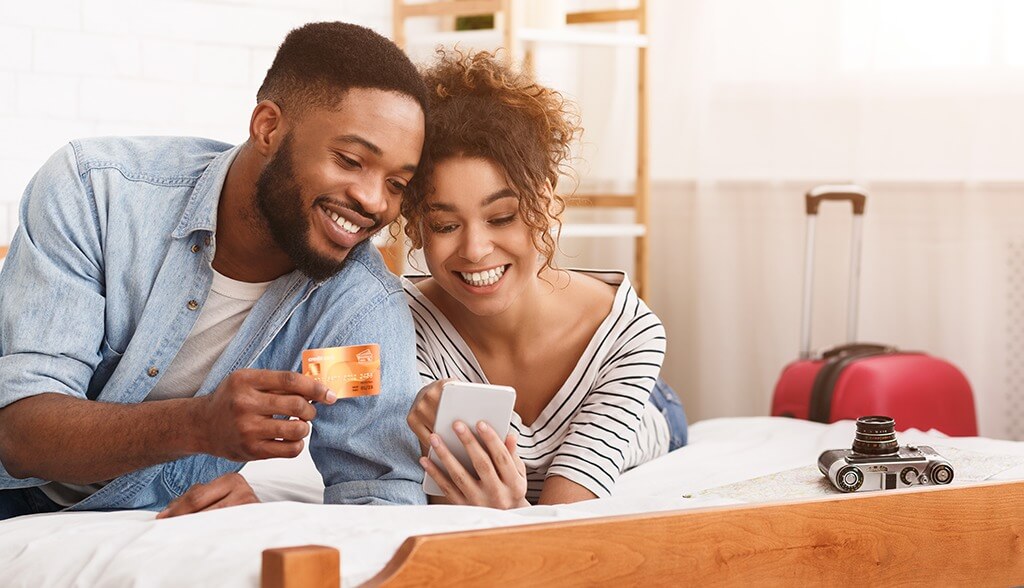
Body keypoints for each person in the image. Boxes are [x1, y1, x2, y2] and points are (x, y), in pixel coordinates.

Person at [0, 22, 429, 520]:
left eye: (397, 183)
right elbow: (19, 430)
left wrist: (267, 509)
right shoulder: (97, 193)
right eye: (350, 160)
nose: (374, 201)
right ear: (268, 128)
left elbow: (380, 493)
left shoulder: (357, 304)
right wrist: (199, 426)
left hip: (153, 521)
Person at [402, 50, 688, 509]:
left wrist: (511, 512)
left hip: (649, 412)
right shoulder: (400, 323)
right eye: (444, 225)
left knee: (655, 419)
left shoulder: (629, 335)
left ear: (549, 203)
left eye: (502, 217)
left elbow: (560, 526)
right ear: (417, 224)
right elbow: (443, 499)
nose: (475, 250)